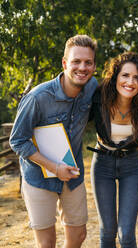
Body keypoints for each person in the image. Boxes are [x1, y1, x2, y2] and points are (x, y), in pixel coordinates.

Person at [9, 35, 98, 248]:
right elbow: (17, 140)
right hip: (39, 176)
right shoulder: (37, 97)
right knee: (47, 243)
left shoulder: (92, 87)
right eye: (76, 61)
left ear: (94, 66)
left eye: (88, 62)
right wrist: (54, 167)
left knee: (78, 235)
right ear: (65, 63)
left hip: (73, 175)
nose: (82, 67)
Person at [88, 52, 138, 248]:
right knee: (108, 231)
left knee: (126, 234)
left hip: (132, 166)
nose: (130, 82)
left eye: (137, 77)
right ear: (115, 77)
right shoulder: (98, 97)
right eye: (125, 75)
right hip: (102, 164)